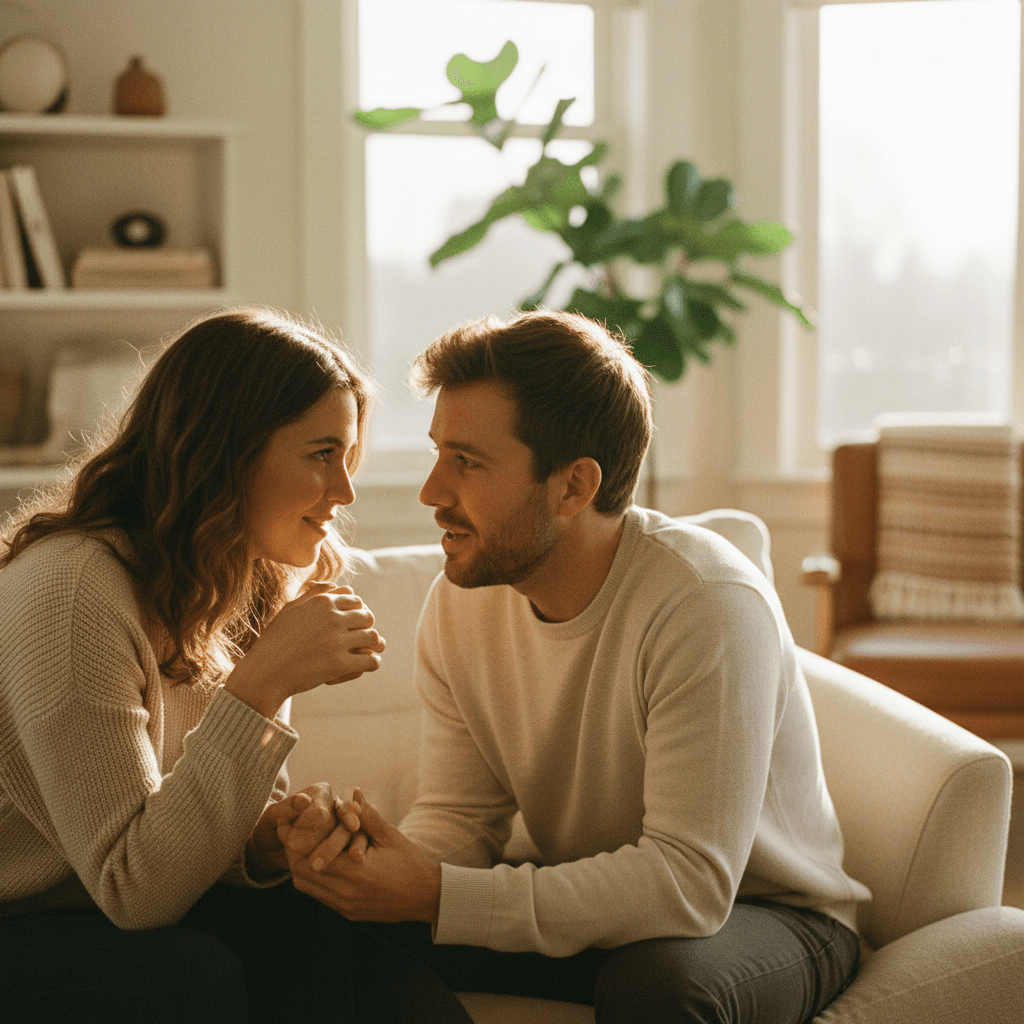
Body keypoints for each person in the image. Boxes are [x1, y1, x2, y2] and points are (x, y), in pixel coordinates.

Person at [283, 309, 872, 1023]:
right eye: (438, 453)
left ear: (572, 487)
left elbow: (688, 885)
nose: (432, 492)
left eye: (466, 462)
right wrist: (384, 868)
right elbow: (464, 817)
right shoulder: (461, 603)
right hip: (601, 896)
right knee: (324, 932)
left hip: (769, 913)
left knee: (659, 988)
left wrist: (437, 893)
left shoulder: (703, 603)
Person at [0, 307, 474, 1024]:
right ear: (223, 453)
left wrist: (270, 840)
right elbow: (134, 890)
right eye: (322, 454)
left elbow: (193, 844)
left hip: (103, 904)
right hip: (26, 917)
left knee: (321, 927)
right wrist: (260, 685)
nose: (344, 493)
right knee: (189, 975)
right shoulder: (72, 590)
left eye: (348, 457)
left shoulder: (243, 581)